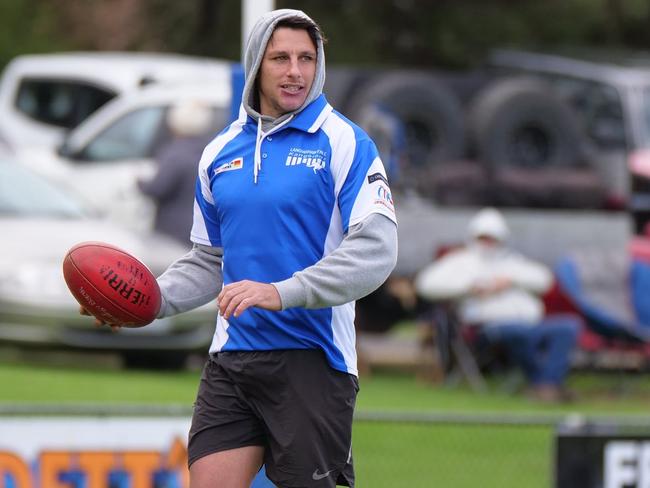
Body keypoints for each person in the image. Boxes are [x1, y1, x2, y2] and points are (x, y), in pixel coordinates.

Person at [83, 8, 398, 488]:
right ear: (256, 64)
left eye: (306, 58)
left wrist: (282, 291)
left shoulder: (345, 143)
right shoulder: (219, 152)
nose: (296, 71)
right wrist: (148, 304)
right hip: (233, 357)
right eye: (280, 58)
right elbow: (209, 260)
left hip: (313, 358)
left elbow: (376, 252)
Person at [415, 207, 579, 402]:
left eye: (493, 238)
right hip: (486, 328)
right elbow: (425, 284)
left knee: (568, 327)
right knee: (519, 333)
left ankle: (546, 384)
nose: (488, 243)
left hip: (529, 323)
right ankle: (545, 385)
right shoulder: (461, 261)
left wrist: (510, 281)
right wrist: (470, 288)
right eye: (483, 237)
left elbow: (545, 279)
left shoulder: (512, 262)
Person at [137, 100, 214, 247]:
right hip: (200, 229)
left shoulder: (175, 152)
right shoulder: (209, 150)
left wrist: (140, 183)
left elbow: (157, 188)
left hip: (172, 231)